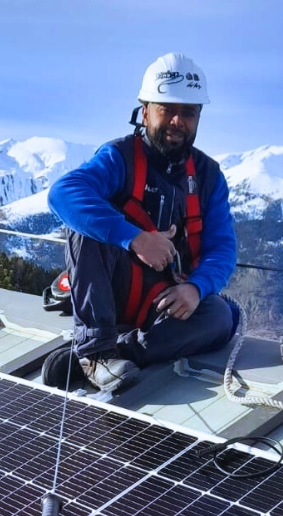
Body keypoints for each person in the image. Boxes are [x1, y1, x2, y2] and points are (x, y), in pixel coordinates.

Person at [43, 52, 238, 393]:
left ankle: (113, 353)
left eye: (188, 112)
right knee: (87, 228)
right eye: (167, 109)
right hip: (112, 292)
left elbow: (222, 247)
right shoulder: (120, 158)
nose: (178, 121)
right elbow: (63, 193)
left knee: (220, 319)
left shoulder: (208, 176)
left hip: (164, 302)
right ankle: (96, 352)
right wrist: (134, 238)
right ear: (145, 110)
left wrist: (196, 288)